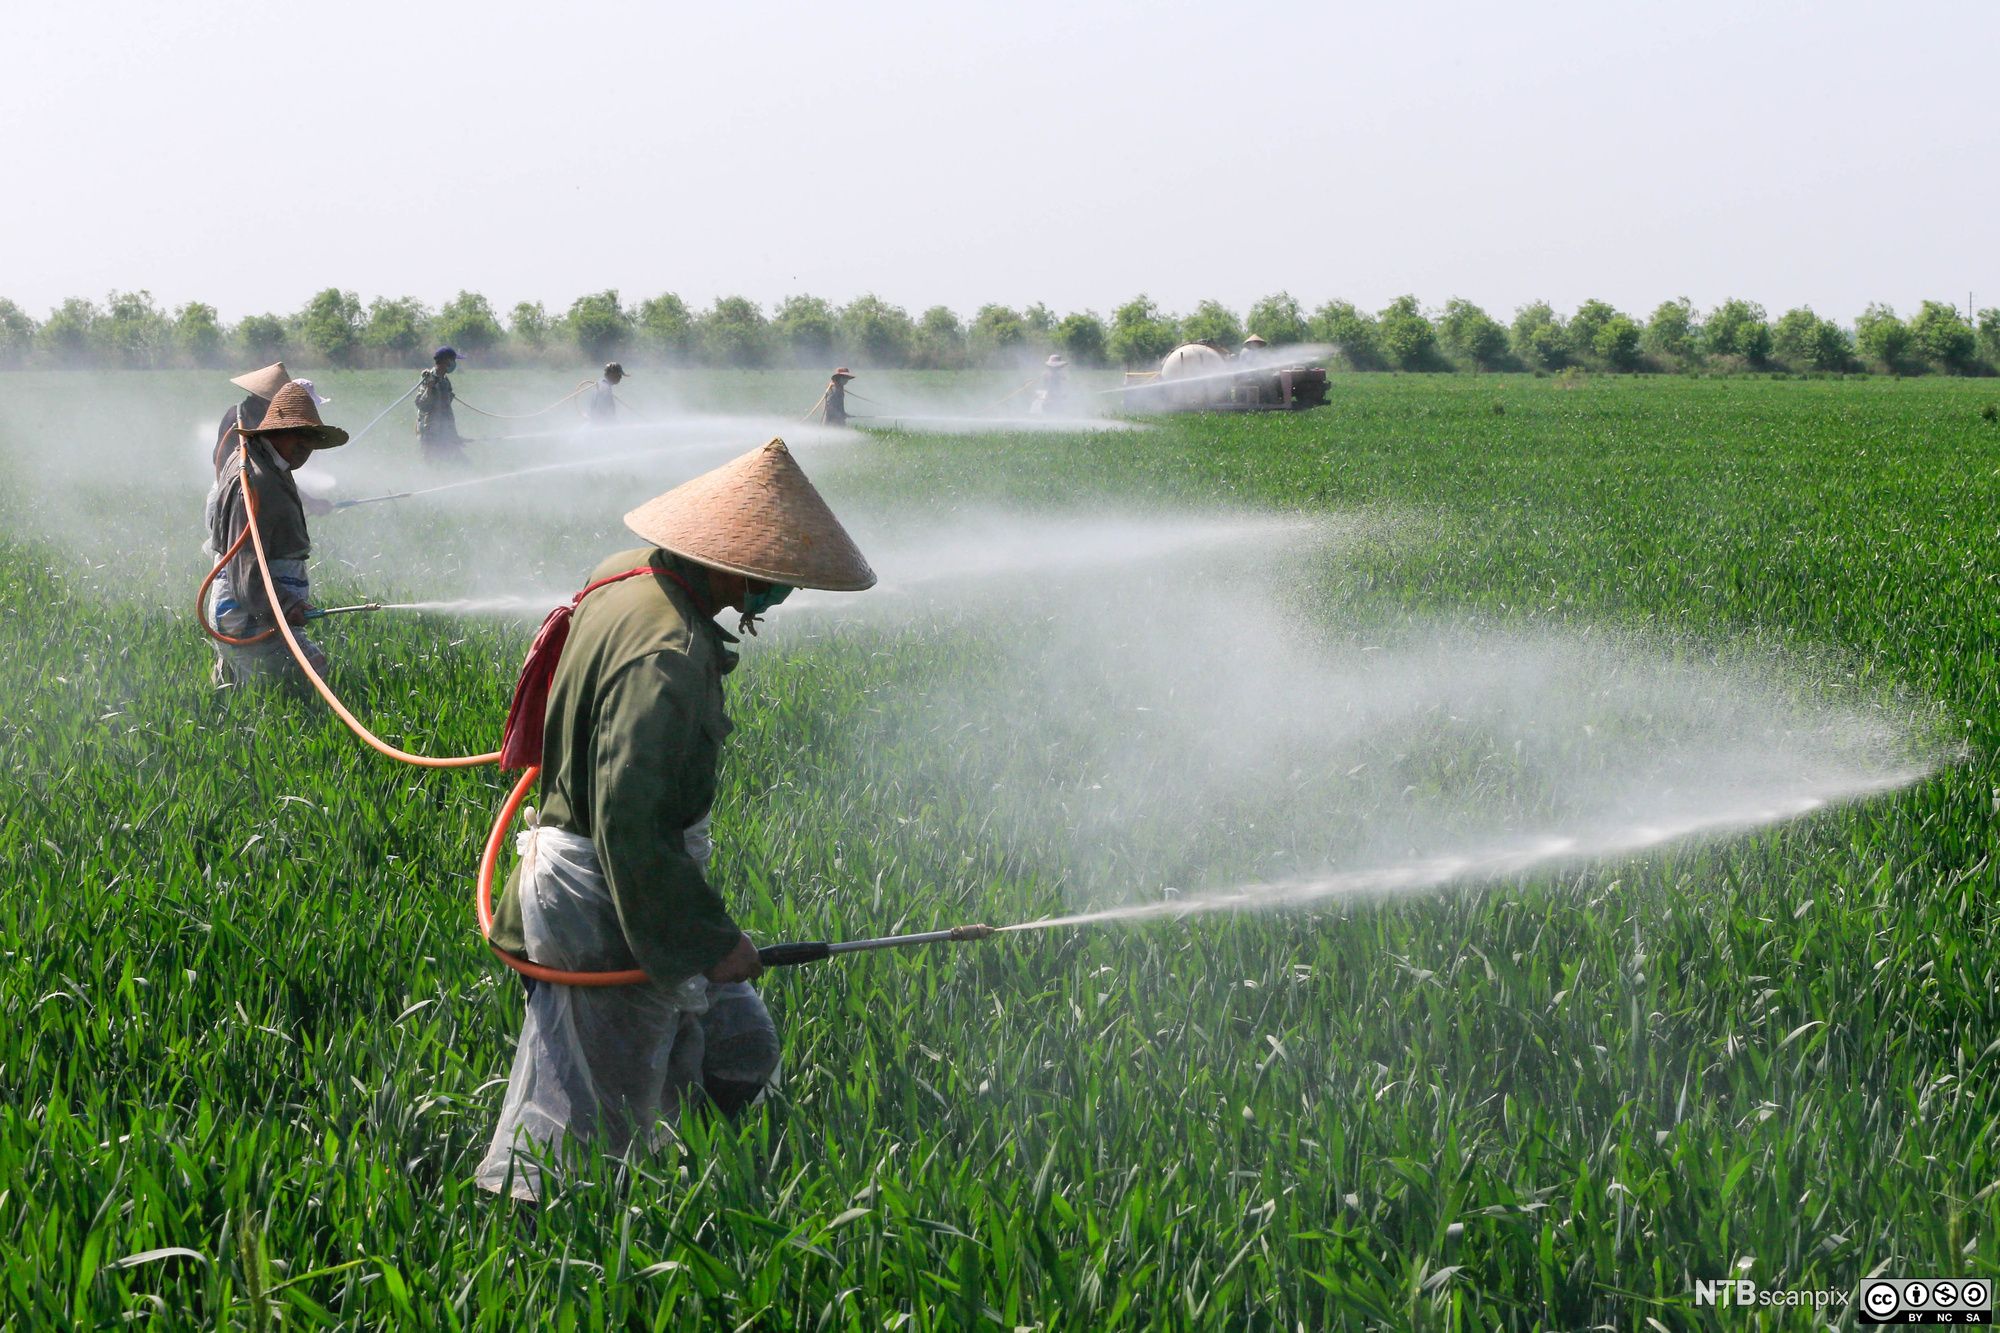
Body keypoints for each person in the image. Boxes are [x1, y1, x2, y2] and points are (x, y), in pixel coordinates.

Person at [477, 438, 876, 1201]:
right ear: (738, 566)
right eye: (779, 574)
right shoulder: (670, 652)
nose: (784, 589)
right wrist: (708, 940)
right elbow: (631, 824)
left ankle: (682, 1178)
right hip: (604, 900)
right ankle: (546, 1233)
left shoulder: (627, 573)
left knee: (739, 1045)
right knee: (580, 1126)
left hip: (626, 882)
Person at [203, 381, 349, 689]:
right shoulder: (256, 482)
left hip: (252, 611)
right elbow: (245, 565)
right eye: (297, 435)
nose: (305, 447)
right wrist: (286, 605)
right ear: (274, 430)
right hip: (247, 616)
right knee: (308, 678)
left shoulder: (267, 463)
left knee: (243, 687)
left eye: (310, 439)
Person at [212, 361, 291, 475]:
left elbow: (216, 458)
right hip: (241, 478)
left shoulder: (234, 411)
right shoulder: (256, 419)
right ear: (267, 401)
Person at [414, 345, 466, 461]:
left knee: (458, 463)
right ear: (446, 361)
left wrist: (453, 435)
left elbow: (447, 412)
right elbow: (422, 405)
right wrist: (429, 388)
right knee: (435, 465)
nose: (454, 364)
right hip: (431, 434)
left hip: (444, 432)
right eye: (453, 360)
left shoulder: (445, 381)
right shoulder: (428, 378)